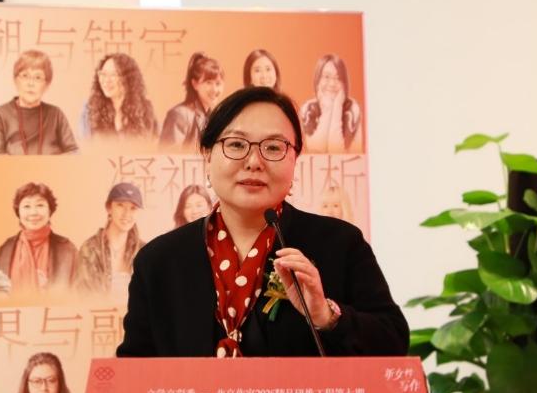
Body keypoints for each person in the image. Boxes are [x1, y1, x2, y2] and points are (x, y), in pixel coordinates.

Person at [116, 87, 408, 358]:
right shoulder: (159, 261)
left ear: (295, 160)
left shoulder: (340, 243)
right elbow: (134, 374)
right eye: (236, 144)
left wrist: (325, 315)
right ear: (207, 156)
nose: (254, 161)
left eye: (273, 147)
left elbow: (393, 342)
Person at [0, 49, 79, 155]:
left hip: (52, 167)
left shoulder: (56, 114)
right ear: (15, 80)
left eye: (38, 77)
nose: (30, 83)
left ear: (47, 84)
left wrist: (50, 163)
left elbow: (74, 152)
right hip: (13, 167)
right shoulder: (0, 114)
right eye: (25, 76)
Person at [0, 182, 78, 294]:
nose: (33, 212)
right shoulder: (6, 248)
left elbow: (79, 294)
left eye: (40, 205)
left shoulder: (67, 250)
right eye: (27, 206)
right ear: (18, 212)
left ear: (50, 210)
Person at [75, 182, 145, 297]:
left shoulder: (145, 251)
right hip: (98, 309)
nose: (126, 214)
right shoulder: (90, 249)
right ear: (109, 208)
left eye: (133, 208)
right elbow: (84, 296)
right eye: (120, 205)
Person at [78, 53, 158, 141]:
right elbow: (84, 145)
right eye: (103, 74)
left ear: (128, 78)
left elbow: (154, 144)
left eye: (113, 74)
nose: (106, 80)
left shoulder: (145, 109)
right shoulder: (89, 110)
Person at [299, 54, 363, 153]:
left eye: (338, 78)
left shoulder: (352, 109)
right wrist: (327, 111)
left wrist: (337, 108)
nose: (332, 84)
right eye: (326, 77)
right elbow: (316, 151)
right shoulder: (308, 109)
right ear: (318, 80)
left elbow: (337, 153)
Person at [159, 52, 224, 148]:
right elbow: (168, 155)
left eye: (218, 83)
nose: (214, 89)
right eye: (208, 83)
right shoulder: (179, 115)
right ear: (195, 84)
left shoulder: (214, 117)